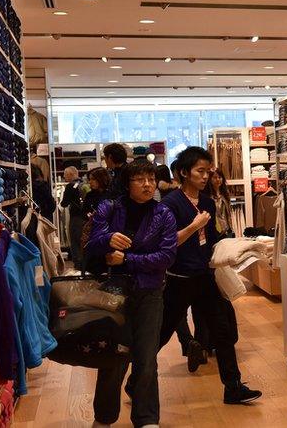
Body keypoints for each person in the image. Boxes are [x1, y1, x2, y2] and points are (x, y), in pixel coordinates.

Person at [158, 147, 262, 404]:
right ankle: (135, 381)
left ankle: (233, 386)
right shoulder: (170, 204)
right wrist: (194, 226)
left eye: (208, 171)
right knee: (161, 333)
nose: (205, 176)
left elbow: (212, 239)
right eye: (200, 171)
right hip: (179, 279)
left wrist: (234, 249)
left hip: (205, 276)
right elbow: (167, 243)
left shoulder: (206, 202)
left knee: (223, 331)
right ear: (184, 172)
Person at [85, 159, 178, 428]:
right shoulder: (110, 208)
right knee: (112, 356)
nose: (148, 184)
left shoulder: (164, 214)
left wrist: (126, 260)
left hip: (150, 293)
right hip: (113, 293)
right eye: (140, 179)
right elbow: (90, 245)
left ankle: (147, 418)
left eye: (151, 178)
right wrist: (106, 240)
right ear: (127, 183)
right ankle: (104, 418)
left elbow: (167, 256)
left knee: (147, 358)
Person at [59, 166, 85, 268]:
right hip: (86, 217)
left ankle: (78, 264)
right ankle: (86, 262)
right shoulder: (84, 184)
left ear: (70, 174)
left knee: (75, 239)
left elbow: (64, 203)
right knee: (84, 240)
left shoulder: (70, 186)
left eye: (65, 175)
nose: (64, 177)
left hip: (76, 217)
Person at [207, 168, 234, 238]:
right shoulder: (208, 196)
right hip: (215, 230)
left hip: (227, 228)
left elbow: (228, 212)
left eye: (220, 177)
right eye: (215, 177)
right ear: (210, 179)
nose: (218, 180)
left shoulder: (225, 193)